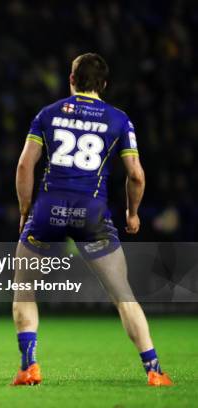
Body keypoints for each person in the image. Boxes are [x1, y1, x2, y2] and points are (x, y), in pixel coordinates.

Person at [12, 53, 173, 387]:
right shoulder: (119, 120)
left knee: (24, 288)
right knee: (123, 295)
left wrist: (26, 211)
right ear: (104, 84)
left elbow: (25, 166)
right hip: (92, 214)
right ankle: (154, 370)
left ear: (71, 79)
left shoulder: (48, 114)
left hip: (48, 212)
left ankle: (30, 366)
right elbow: (136, 176)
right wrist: (132, 212)